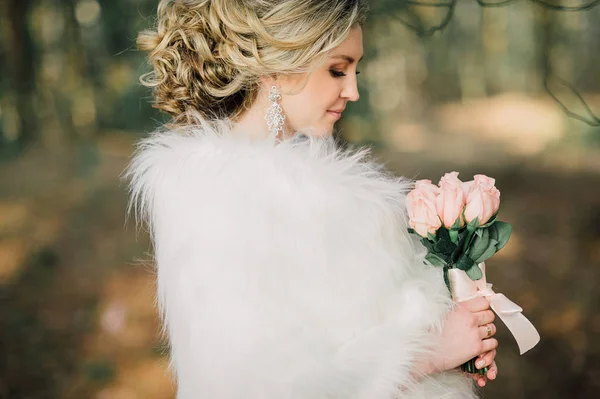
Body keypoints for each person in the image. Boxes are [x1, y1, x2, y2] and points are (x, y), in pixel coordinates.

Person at [126, 0, 499, 397]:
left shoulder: (324, 193)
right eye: (337, 69)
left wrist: (453, 328)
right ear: (278, 68)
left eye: (355, 70)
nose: (353, 90)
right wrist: (429, 353)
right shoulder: (222, 201)